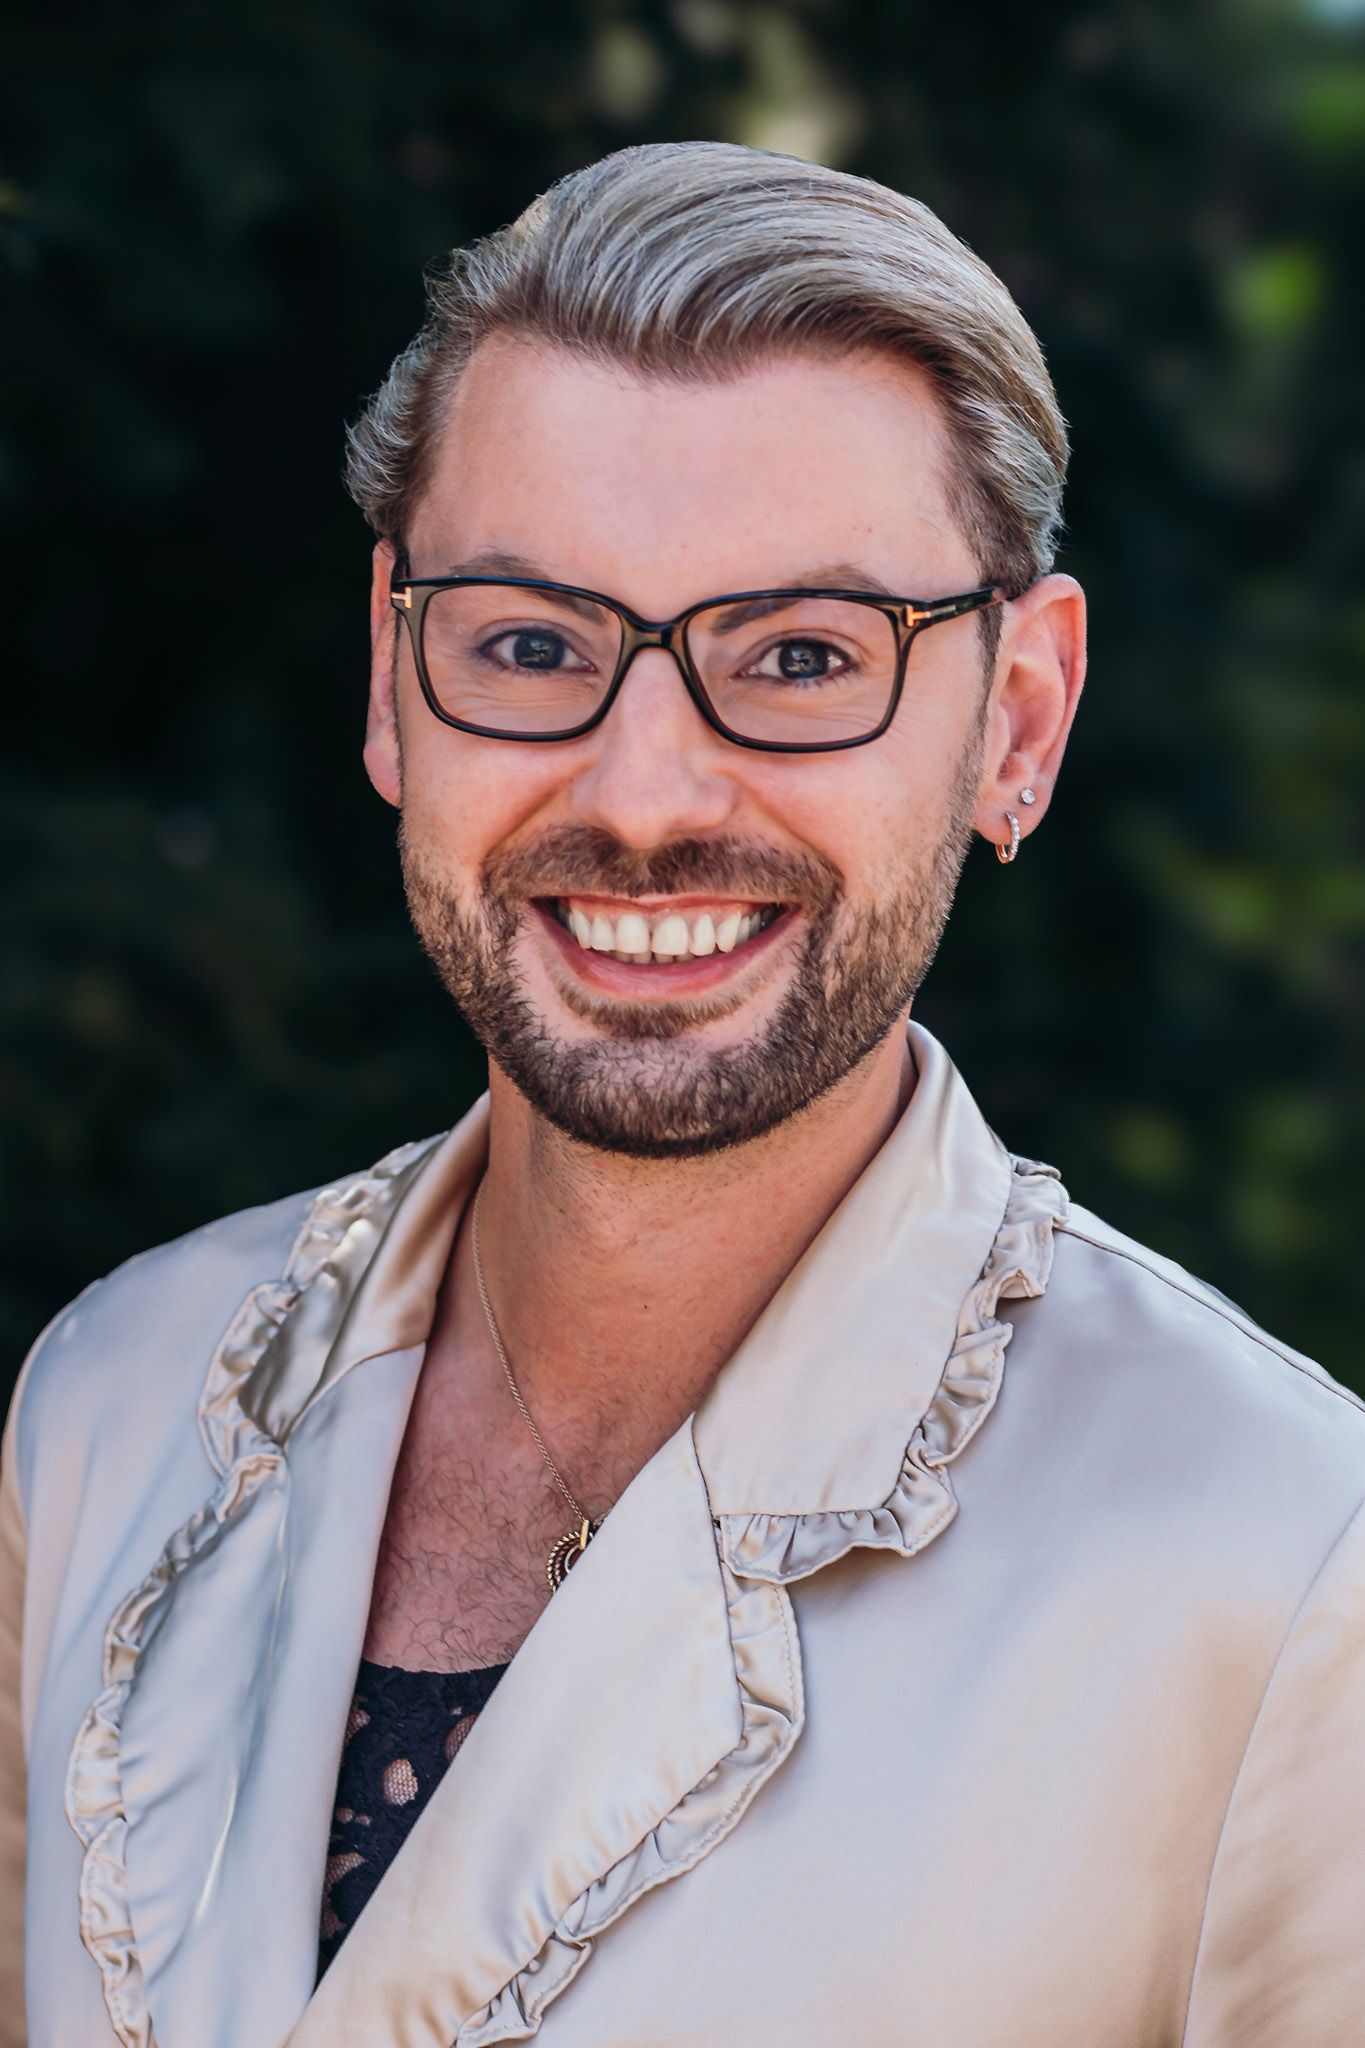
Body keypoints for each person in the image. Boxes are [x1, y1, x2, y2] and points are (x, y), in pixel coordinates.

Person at [2, 139, 1362, 2048]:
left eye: (801, 656)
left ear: (1020, 720)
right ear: (391, 677)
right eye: (530, 644)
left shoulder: (1289, 1568)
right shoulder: (109, 1408)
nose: (643, 797)